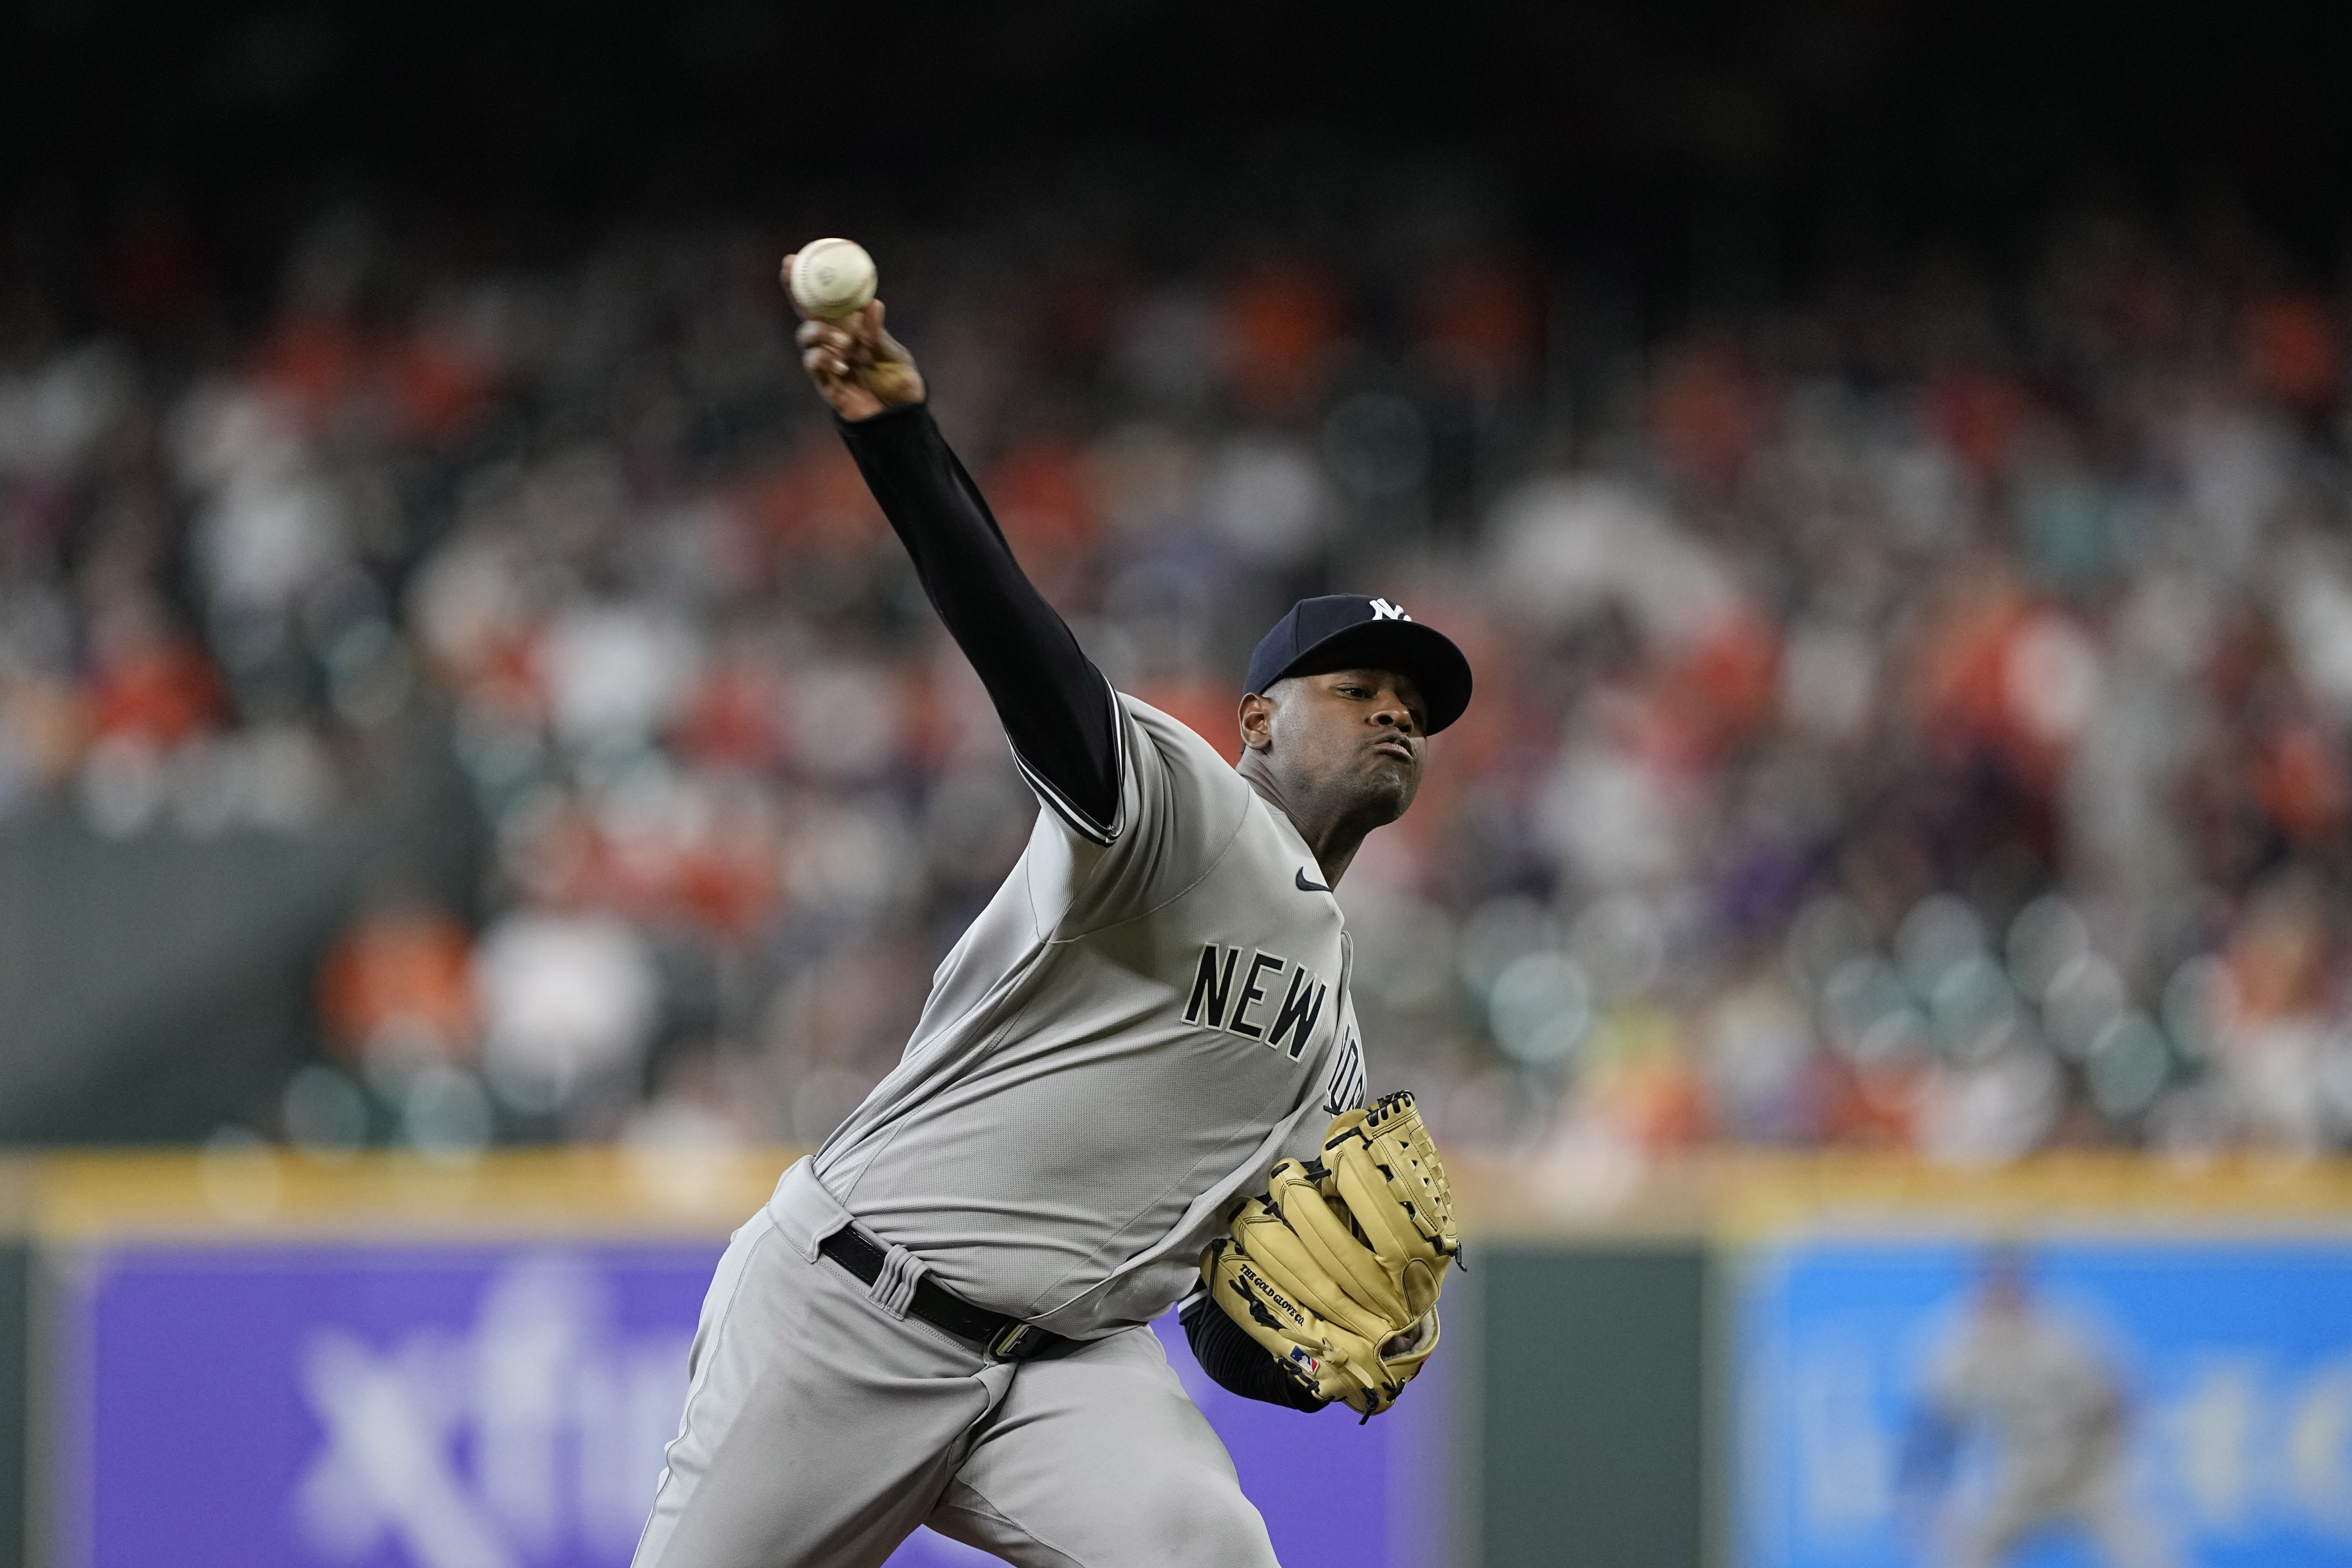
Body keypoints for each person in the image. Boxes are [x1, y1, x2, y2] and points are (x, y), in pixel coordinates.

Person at [629, 265, 1473, 1567]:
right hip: (850, 1307)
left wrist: (1288, 1348)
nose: (1392, 713)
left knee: (1209, 1546)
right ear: (1254, 720)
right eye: (1356, 684)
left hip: (1062, 1370)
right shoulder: (1183, 812)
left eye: (1411, 706)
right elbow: (1023, 651)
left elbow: (1220, 1304)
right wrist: (898, 440)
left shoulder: (1333, 1029)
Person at [1900, 1249, 2175, 1568]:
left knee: (2149, 1556)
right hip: (2021, 1475)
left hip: (2087, 1474)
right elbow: (1937, 1429)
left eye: (2009, 1276)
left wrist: (2104, 1451)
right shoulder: (1959, 1345)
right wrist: (1929, 1498)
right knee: (1963, 1555)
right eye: (1992, 1277)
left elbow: (2124, 1397)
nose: (2001, 1288)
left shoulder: (2068, 1330)